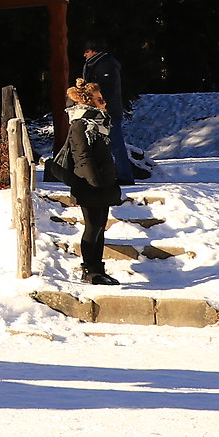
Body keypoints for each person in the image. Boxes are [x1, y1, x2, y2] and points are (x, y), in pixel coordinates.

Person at [56, 80, 124, 285]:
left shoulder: (99, 124)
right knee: (92, 227)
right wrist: (94, 181)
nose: (104, 103)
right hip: (88, 184)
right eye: (100, 99)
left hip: (102, 182)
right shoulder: (80, 124)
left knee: (100, 227)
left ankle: (98, 269)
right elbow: (82, 156)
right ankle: (89, 270)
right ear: (89, 102)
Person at [79, 39, 148, 181]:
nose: (84, 55)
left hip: (107, 110)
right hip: (100, 109)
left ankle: (125, 176)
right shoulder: (98, 64)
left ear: (94, 50)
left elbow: (106, 89)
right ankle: (110, 173)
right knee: (105, 145)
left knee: (115, 144)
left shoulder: (106, 65)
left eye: (86, 51)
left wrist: (99, 102)